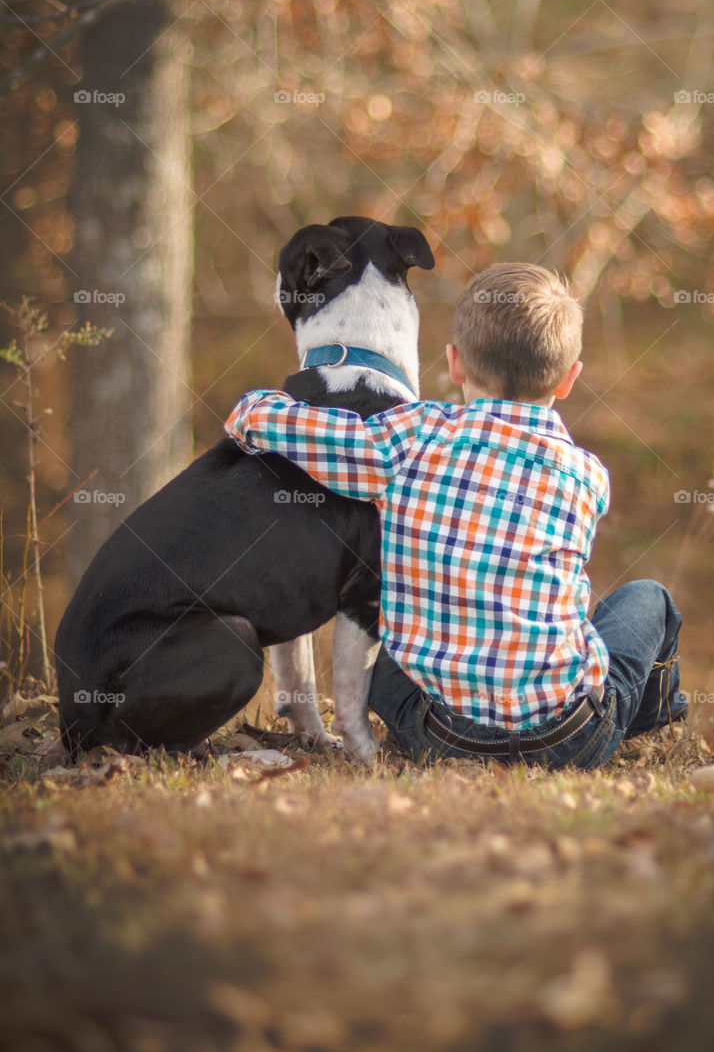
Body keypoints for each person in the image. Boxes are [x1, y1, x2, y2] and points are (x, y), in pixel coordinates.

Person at [225, 262, 688, 768]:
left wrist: (251, 409)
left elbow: (293, 429)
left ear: (454, 364)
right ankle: (641, 727)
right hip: (568, 737)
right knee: (650, 599)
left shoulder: (412, 435)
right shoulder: (587, 476)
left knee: (390, 646)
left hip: (438, 733)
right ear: (569, 378)